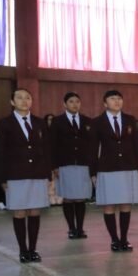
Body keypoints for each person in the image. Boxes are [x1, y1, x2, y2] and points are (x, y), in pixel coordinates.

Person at [0, 89, 52, 263]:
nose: (24, 101)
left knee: (35, 210)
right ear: (12, 102)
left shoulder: (39, 122)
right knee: (20, 211)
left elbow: (46, 150)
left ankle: (33, 249)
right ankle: (23, 250)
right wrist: (2, 177)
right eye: (19, 98)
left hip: (37, 172)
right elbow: (0, 152)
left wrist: (48, 174)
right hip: (15, 173)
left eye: (27, 98)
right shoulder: (5, 123)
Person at [90, 90, 138, 252]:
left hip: (128, 167)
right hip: (107, 168)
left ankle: (124, 239)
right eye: (112, 99)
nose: (117, 101)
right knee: (109, 205)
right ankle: (114, 239)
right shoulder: (97, 122)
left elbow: (136, 146)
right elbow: (92, 148)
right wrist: (93, 172)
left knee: (125, 204)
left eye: (119, 98)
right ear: (105, 103)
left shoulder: (130, 120)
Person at [50, 92, 94, 239]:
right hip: (65, 164)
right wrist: (54, 166)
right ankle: (71, 228)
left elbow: (91, 145)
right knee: (68, 198)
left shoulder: (87, 121)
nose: (75, 104)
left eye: (77, 101)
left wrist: (92, 165)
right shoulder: (57, 121)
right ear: (65, 104)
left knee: (80, 198)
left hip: (83, 164)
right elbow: (52, 145)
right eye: (71, 101)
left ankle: (80, 229)